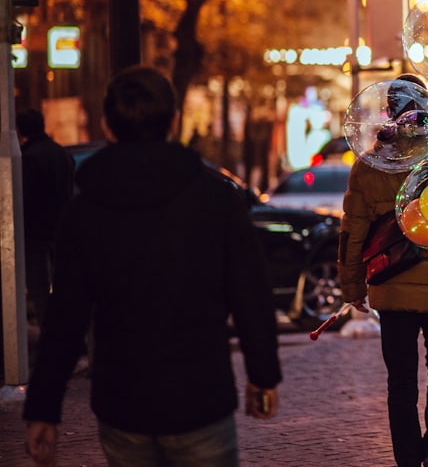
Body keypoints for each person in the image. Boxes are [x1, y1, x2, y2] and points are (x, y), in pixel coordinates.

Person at [23, 65, 281, 467]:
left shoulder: (85, 209)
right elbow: (250, 293)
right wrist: (262, 375)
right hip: (201, 394)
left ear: (107, 125)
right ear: (174, 121)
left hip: (122, 400)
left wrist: (43, 408)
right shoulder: (214, 199)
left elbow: (66, 315)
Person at [338, 74, 428, 467]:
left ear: (390, 111)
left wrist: (352, 284)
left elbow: (351, 232)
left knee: (401, 382)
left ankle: (408, 459)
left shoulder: (369, 164)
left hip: (391, 285)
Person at [15, 108, 75, 327]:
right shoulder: (62, 154)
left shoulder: (27, 159)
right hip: (61, 229)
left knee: (39, 286)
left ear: (20, 130)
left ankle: (52, 333)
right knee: (64, 285)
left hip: (35, 233)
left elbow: (25, 198)